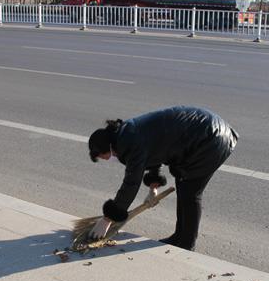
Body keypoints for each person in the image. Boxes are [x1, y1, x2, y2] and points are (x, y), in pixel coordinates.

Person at [87, 106, 238, 251]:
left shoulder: (129, 143)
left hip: (211, 138)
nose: (106, 159)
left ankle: (187, 244)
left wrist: (108, 219)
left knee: (191, 192)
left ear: (107, 147)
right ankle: (179, 236)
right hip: (202, 134)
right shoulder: (125, 134)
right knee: (183, 184)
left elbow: (131, 183)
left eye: (103, 156)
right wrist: (153, 187)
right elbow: (155, 152)